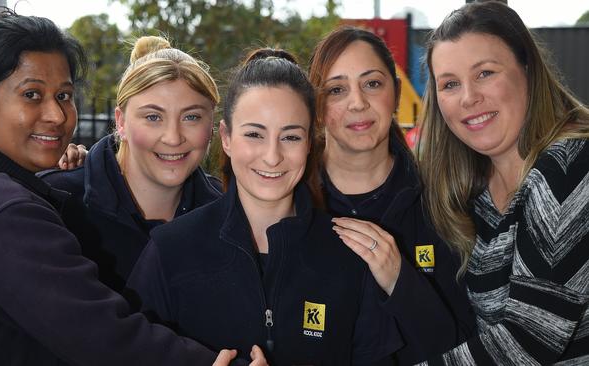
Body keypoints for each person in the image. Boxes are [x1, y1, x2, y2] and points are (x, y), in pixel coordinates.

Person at [0, 7, 266, 365]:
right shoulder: (8, 208)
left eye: (64, 96)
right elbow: (104, 337)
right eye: (32, 94)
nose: (57, 115)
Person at [126, 48, 403, 365]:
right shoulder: (170, 249)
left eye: (290, 137)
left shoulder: (349, 254)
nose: (272, 156)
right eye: (255, 134)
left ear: (309, 143)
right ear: (227, 138)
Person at [418, 1, 589, 364]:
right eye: (450, 84)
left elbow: (530, 338)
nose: (468, 98)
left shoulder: (570, 166)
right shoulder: (474, 191)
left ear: (526, 68)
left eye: (485, 73)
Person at [308, 26, 476, 364]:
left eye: (372, 83)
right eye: (337, 90)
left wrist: (401, 280)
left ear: (396, 92)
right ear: (317, 105)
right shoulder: (291, 204)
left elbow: (467, 345)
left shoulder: (444, 200)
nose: (358, 103)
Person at [41, 35, 222, 292]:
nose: (173, 137)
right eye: (153, 117)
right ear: (121, 122)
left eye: (191, 116)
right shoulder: (55, 203)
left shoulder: (229, 214)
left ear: (213, 125)